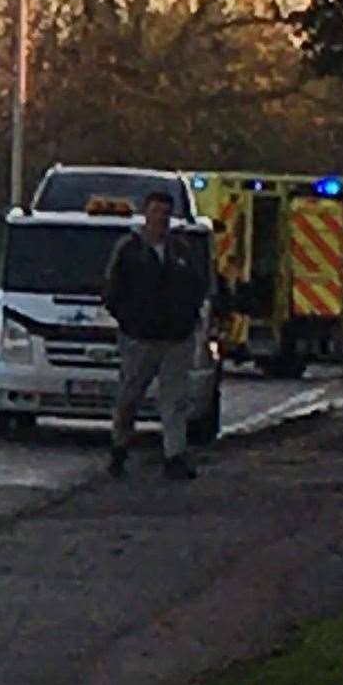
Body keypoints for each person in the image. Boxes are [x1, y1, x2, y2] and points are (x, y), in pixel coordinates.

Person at [101, 190, 208, 480]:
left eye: (165, 212)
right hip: (140, 338)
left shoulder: (181, 251)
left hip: (176, 338)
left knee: (174, 399)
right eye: (155, 210)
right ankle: (119, 448)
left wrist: (188, 319)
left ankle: (174, 456)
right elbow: (112, 291)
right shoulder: (129, 250)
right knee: (130, 396)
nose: (160, 217)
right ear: (146, 213)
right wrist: (130, 321)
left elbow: (198, 287)